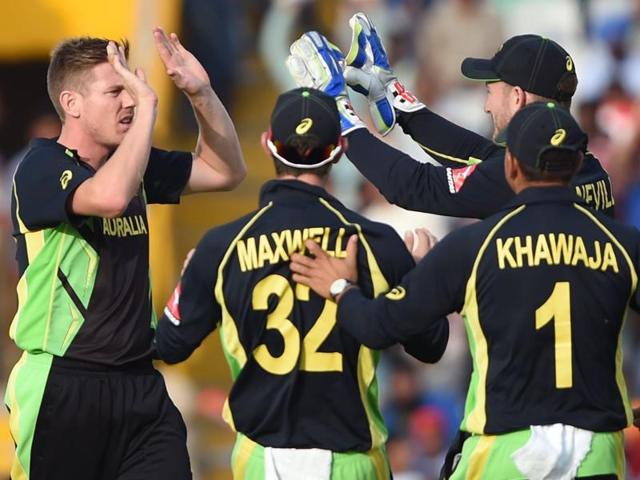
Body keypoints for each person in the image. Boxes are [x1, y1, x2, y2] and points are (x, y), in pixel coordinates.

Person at [290, 101, 637, 479]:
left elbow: (380, 326)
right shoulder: (624, 244)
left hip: (508, 450)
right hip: (598, 450)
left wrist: (340, 287)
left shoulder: (473, 246)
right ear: (576, 166)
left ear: (510, 166)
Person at [155, 87, 448, 480]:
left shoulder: (221, 247)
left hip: (262, 461)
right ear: (340, 149)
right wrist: (420, 277)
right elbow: (433, 343)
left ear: (266, 145)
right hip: (350, 461)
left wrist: (191, 281)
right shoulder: (376, 241)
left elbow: (169, 345)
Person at [5, 29, 246, 480]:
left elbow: (225, 171)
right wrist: (150, 109)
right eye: (116, 90)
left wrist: (201, 93)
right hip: (63, 384)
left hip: (140, 385)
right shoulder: (41, 166)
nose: (130, 100)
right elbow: (111, 196)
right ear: (72, 103)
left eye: (131, 88)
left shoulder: (130, 163)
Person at [286, 14, 614, 220]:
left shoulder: (523, 180)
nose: (486, 106)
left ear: (517, 97)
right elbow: (482, 155)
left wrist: (339, 111)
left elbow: (411, 187)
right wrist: (399, 102)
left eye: (490, 90)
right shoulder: (591, 171)